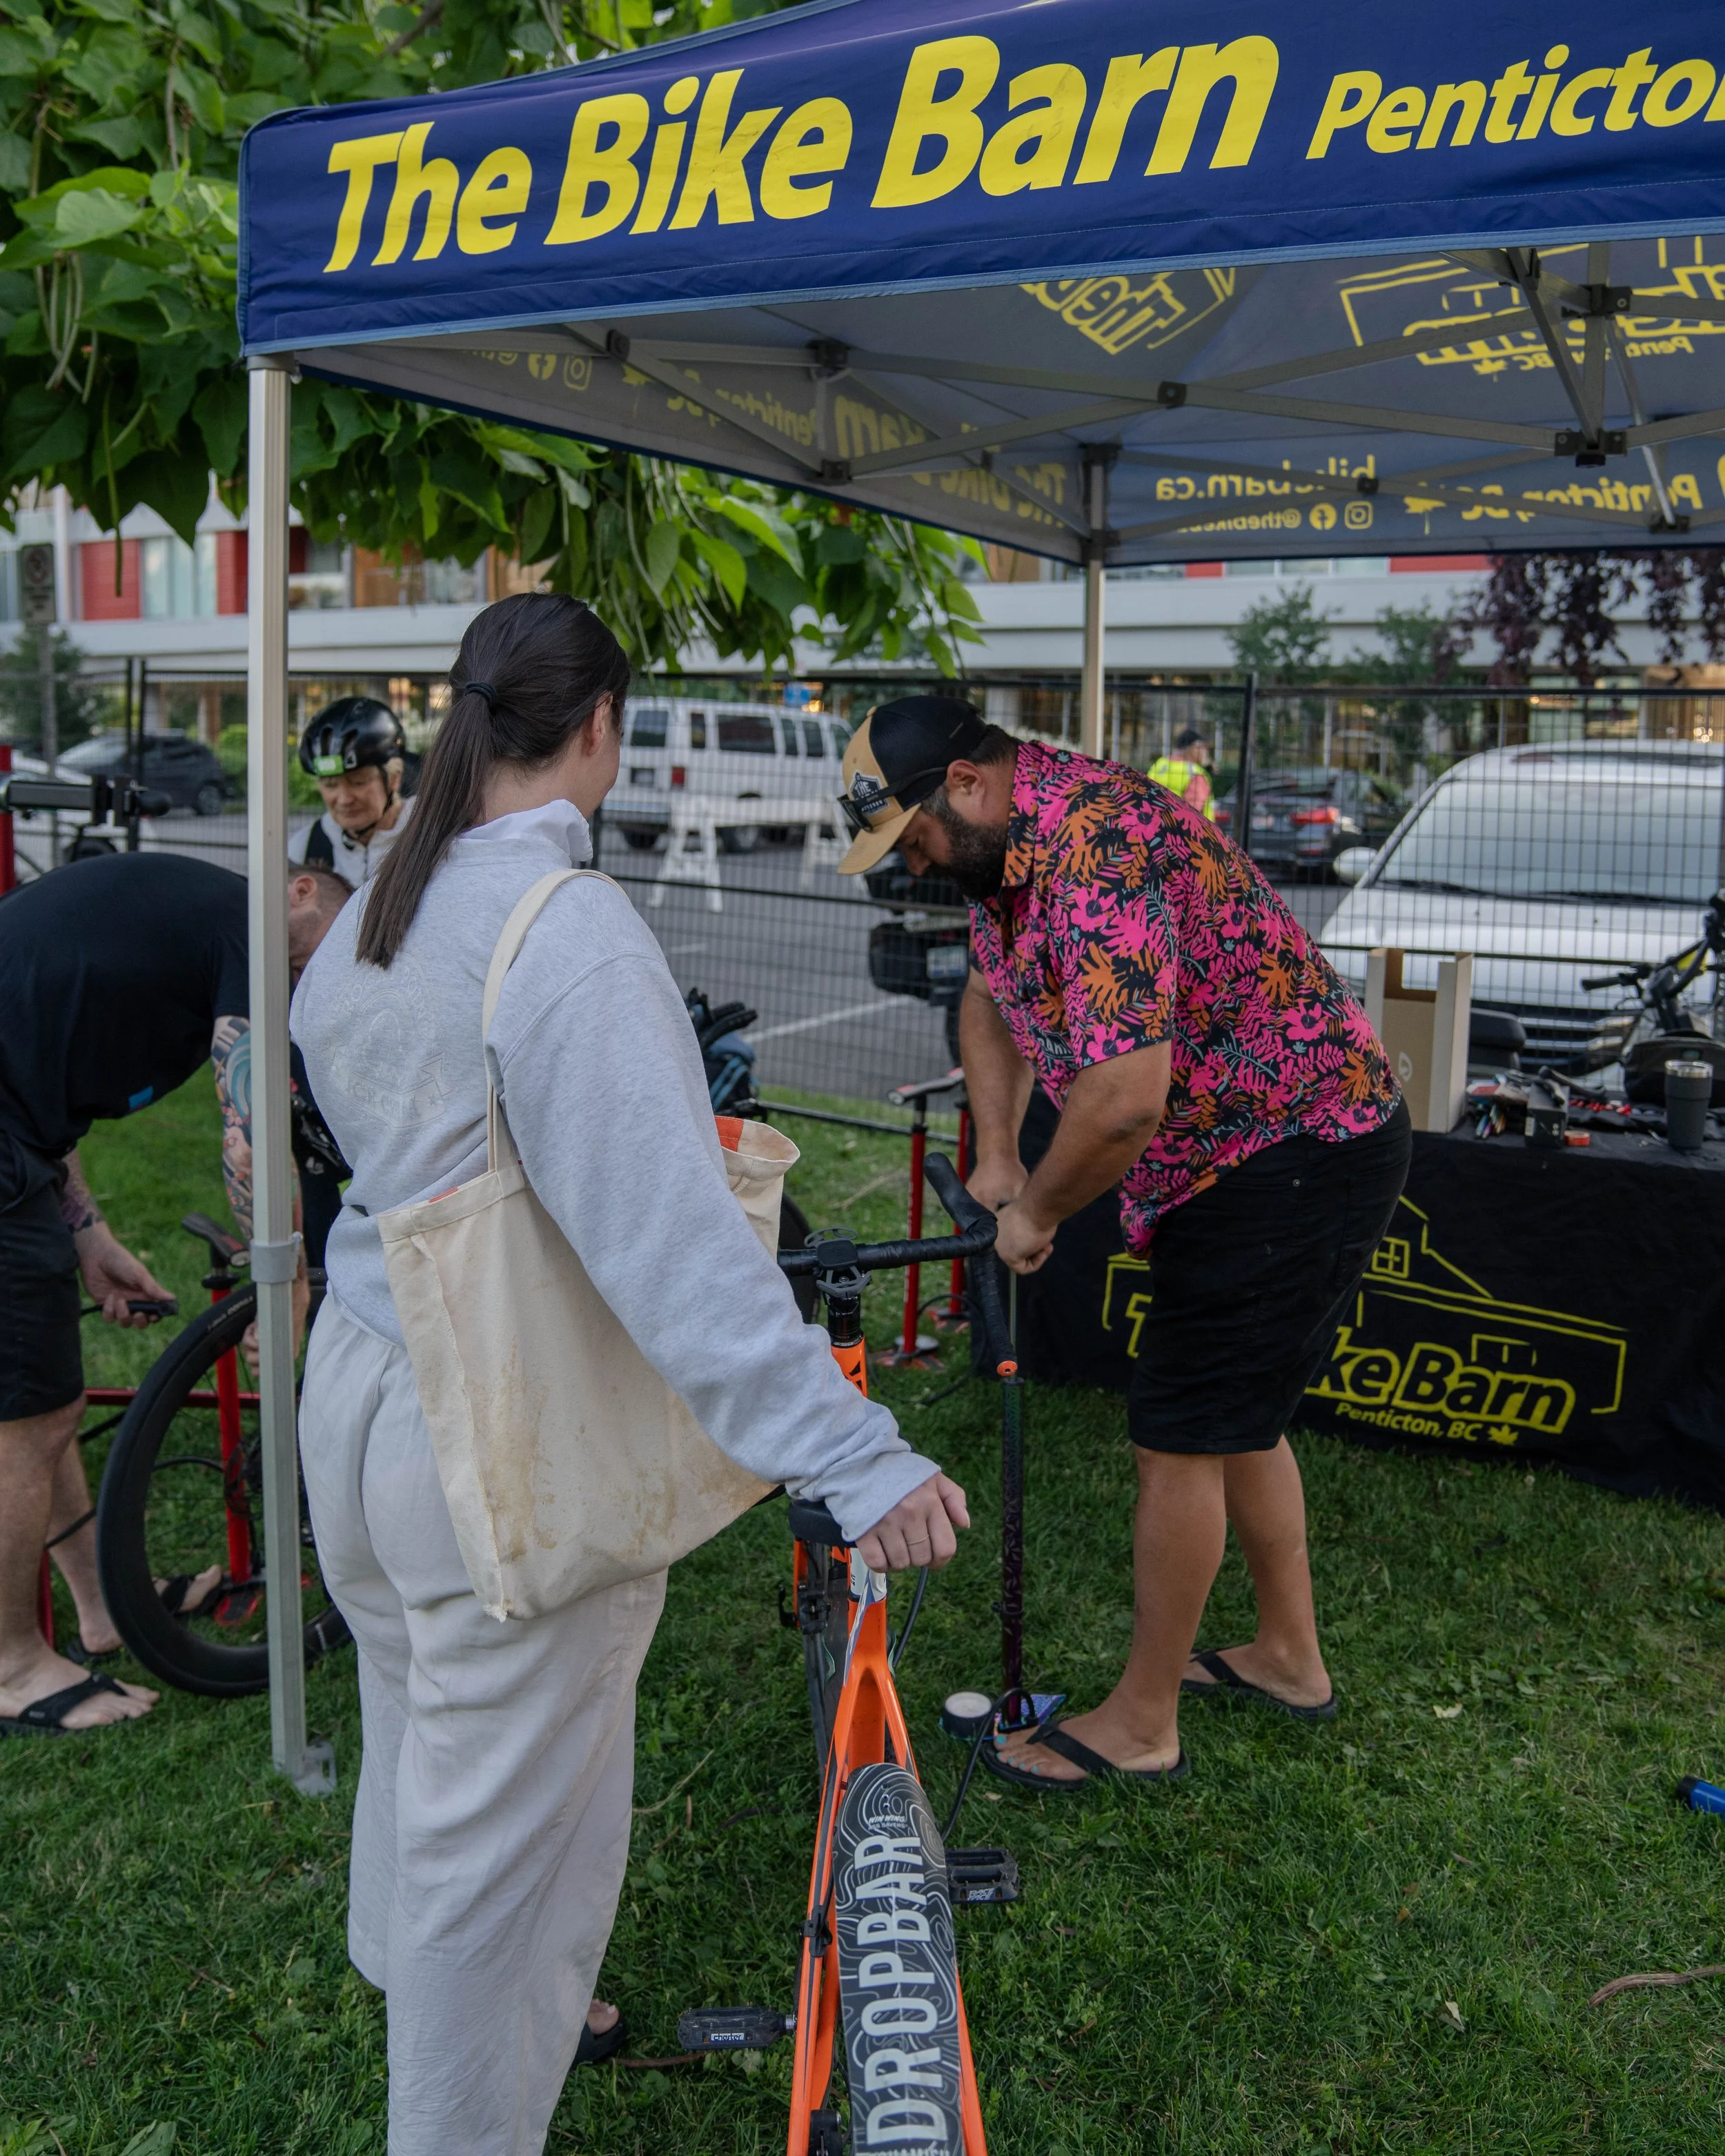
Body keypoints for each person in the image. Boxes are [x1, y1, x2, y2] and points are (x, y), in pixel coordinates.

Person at [290, 591, 968, 2156]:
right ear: (601, 726)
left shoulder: (396, 880)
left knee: (426, 1754)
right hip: (487, 1434)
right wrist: (856, 1456)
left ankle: (417, 1996)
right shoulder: (563, 929)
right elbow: (677, 1254)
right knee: (486, 1840)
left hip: (365, 1401)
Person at [836, 697, 1408, 1791]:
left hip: (1295, 1145)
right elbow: (992, 997)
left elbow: (1119, 1101)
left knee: (1180, 1432)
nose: (910, 866)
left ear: (963, 783)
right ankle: (1288, 1656)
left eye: (910, 841)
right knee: (1238, 1415)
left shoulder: (1097, 848)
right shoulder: (1006, 846)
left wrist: (1038, 1214)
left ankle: (1143, 1723)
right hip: (1239, 1150)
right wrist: (997, 1150)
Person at [0, 853, 350, 1736]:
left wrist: (87, 1232)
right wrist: (289, 1277)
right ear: (301, 890)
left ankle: (104, 1609)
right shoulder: (249, 926)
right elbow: (249, 1129)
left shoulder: (197, 936)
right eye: (315, 961)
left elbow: (39, 1061)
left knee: (47, 1400)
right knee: (25, 1417)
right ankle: (11, 1666)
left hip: (20, 1137)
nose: (307, 986)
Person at [289, 695, 415, 887]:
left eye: (358, 782)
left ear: (395, 778)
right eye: (330, 784)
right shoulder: (305, 848)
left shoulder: (431, 835)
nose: (344, 799)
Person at [1147, 724, 1216, 819]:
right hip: (1190, 831)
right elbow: (1193, 813)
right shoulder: (1196, 773)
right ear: (1193, 748)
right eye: (1203, 747)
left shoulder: (1160, 764)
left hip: (1154, 825)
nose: (1205, 752)